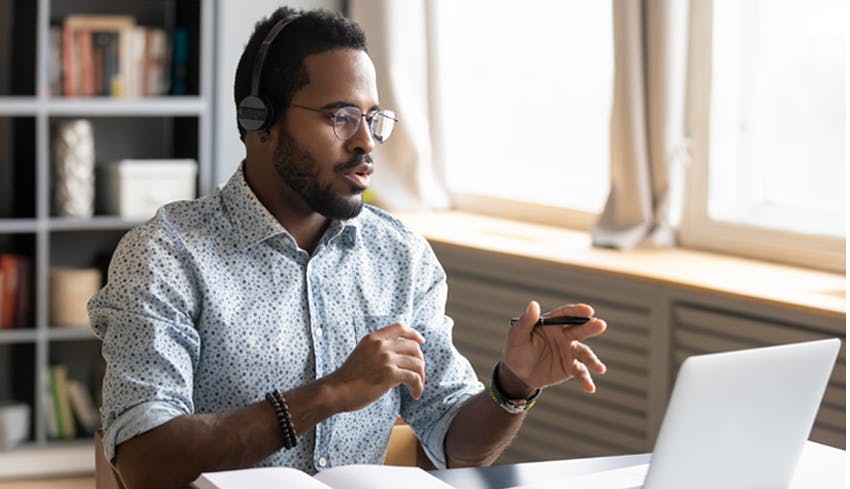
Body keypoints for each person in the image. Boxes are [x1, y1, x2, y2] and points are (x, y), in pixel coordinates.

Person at [89, 7, 607, 488]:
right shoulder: (166, 255)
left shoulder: (400, 256)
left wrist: (513, 385)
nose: (366, 143)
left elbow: (454, 440)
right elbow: (143, 461)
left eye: (374, 119)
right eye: (340, 117)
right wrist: (331, 393)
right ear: (259, 121)